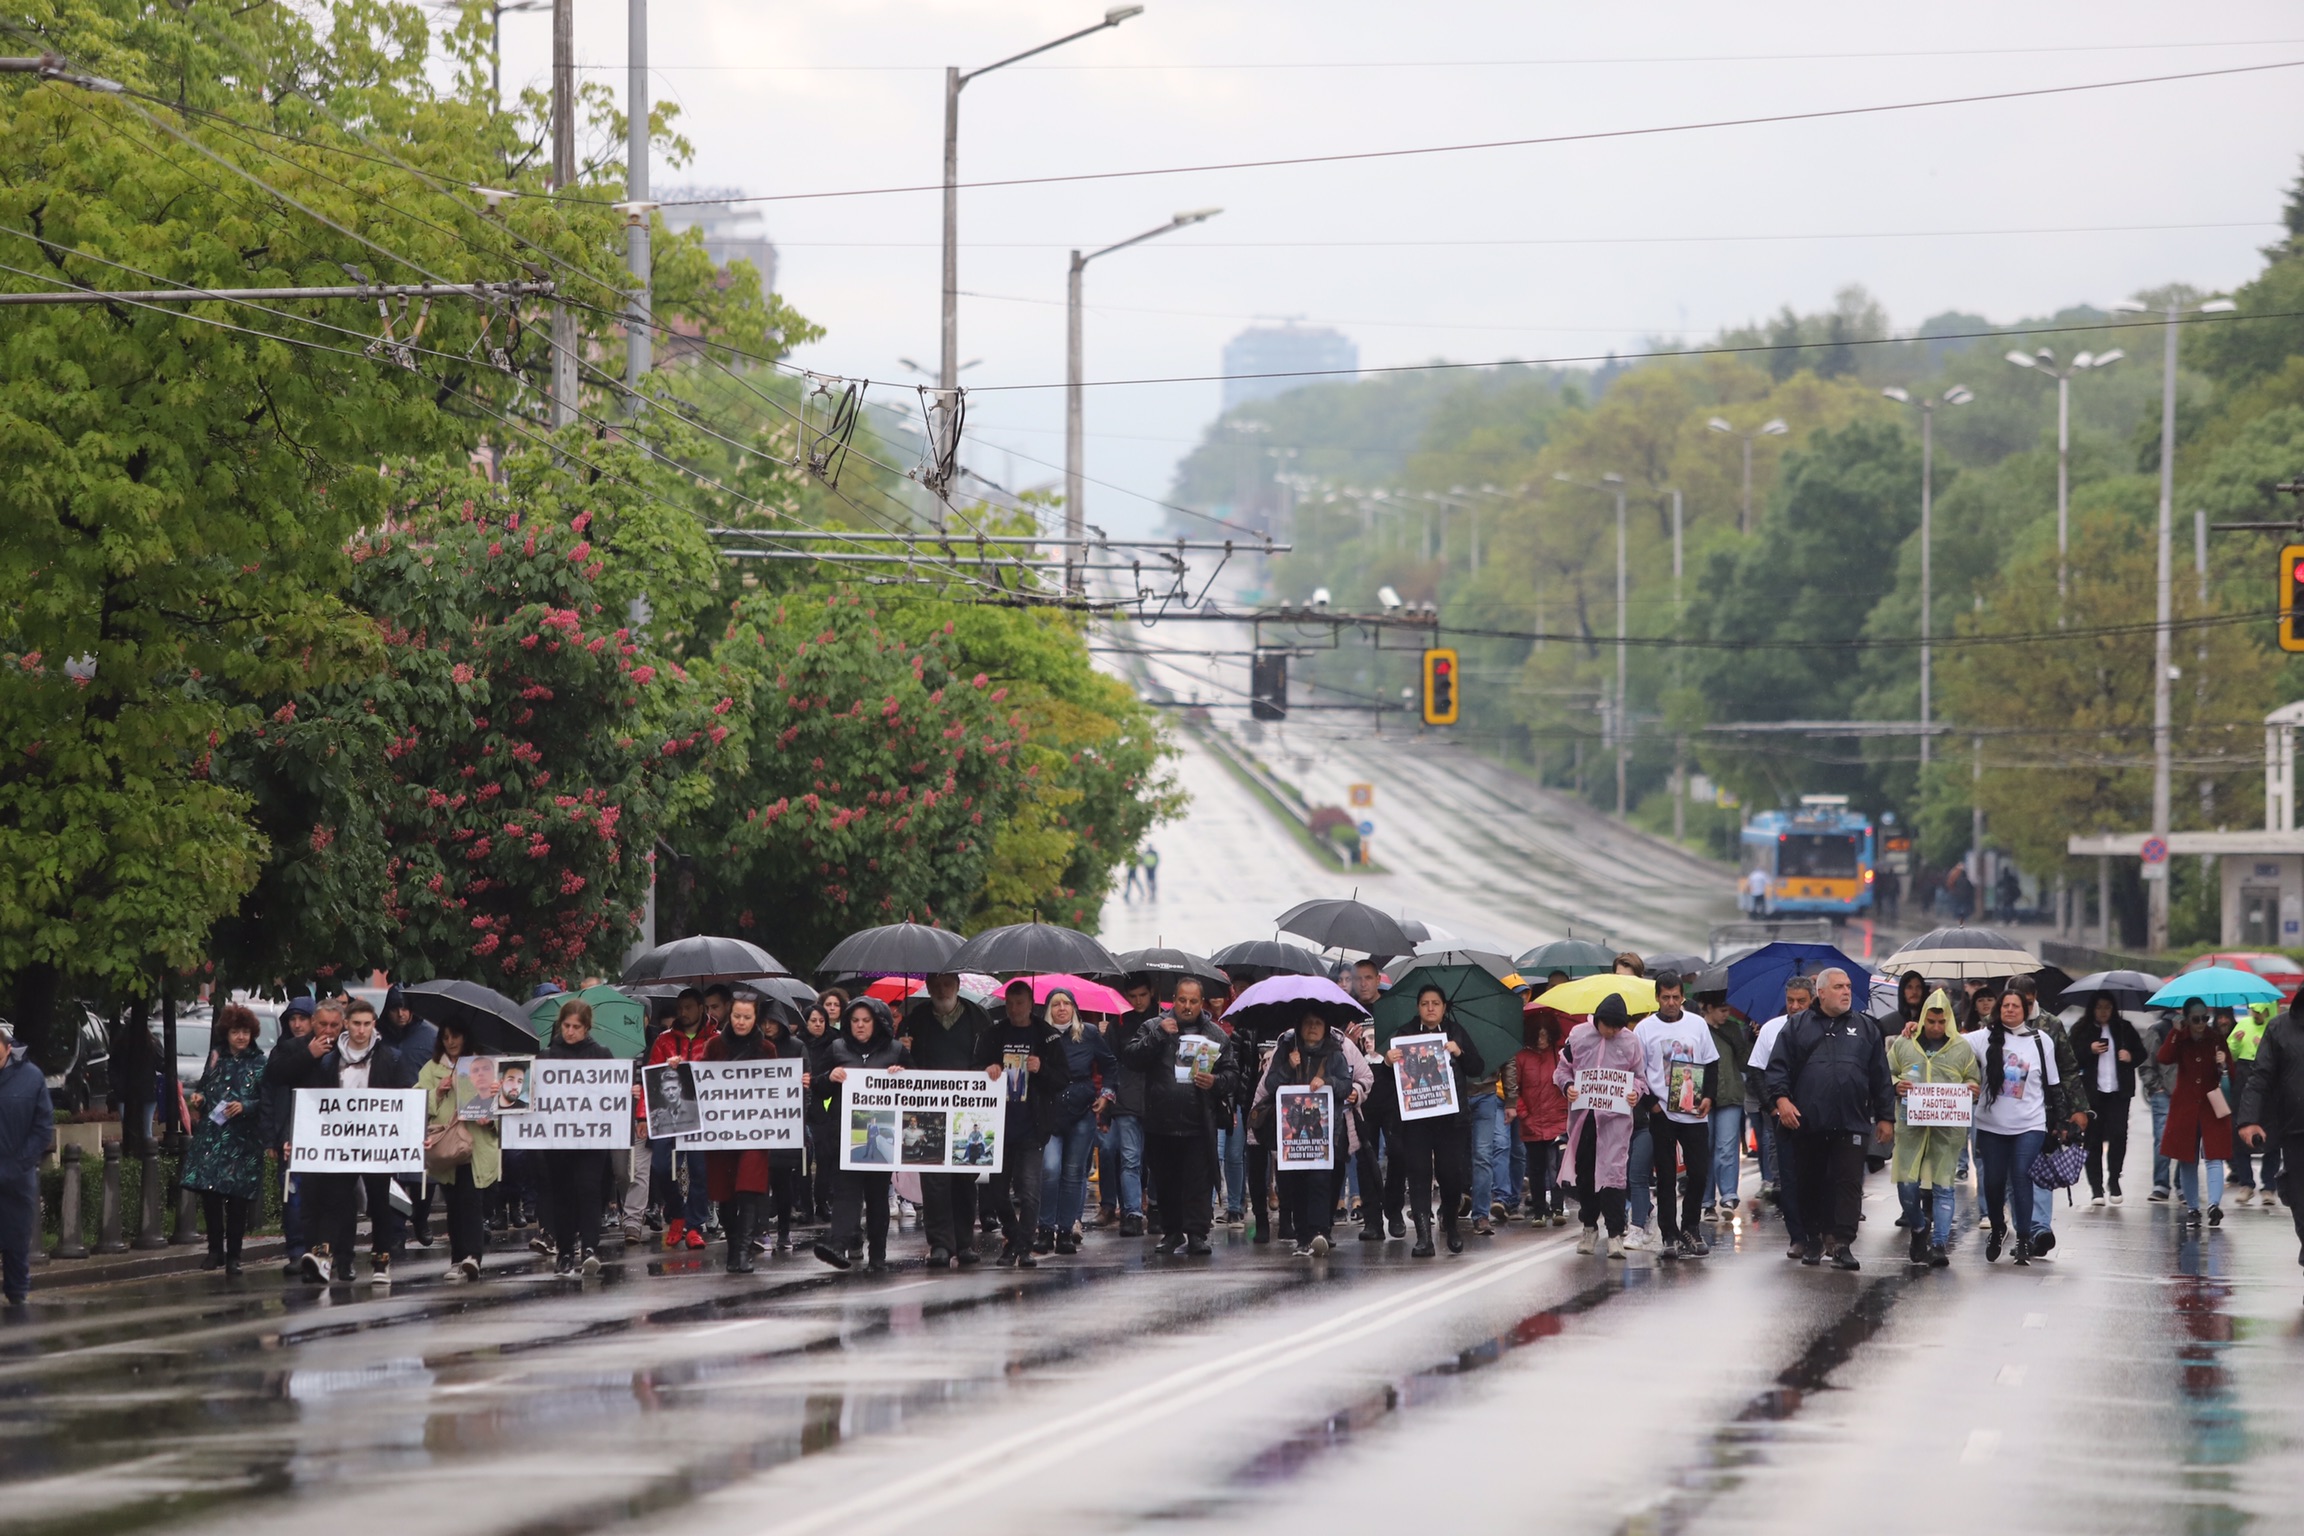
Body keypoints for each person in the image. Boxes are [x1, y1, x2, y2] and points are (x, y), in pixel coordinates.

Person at [270, 1000, 416, 1285]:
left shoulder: (392, 1057)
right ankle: (324, 1257)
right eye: (356, 1023)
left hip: (377, 1144)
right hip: (340, 1144)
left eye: (367, 1024)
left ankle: (381, 1260)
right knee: (335, 1200)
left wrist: (409, 1136)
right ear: (347, 1024)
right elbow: (315, 1101)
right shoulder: (329, 1058)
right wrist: (300, 1136)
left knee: (380, 1202)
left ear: (374, 1025)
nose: (361, 1030)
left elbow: (405, 1100)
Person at [1761, 968, 1893, 1271]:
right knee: (1811, 1183)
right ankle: (1814, 1238)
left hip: (1852, 1120)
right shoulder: (1796, 1027)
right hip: (1809, 1122)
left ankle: (1843, 1243)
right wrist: (1781, 1101)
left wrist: (1886, 1117)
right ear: (1821, 993)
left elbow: (1880, 1075)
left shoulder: (1865, 1028)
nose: (1846, 992)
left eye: (1848, 986)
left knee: (1847, 1183)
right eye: (1838, 987)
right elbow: (1776, 1069)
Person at [1122, 977, 1236, 1256]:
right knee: (1166, 1180)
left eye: (1193, 1001)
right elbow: (1131, 1057)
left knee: (1198, 1180)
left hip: (1199, 1121)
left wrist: (1216, 1081)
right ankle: (1172, 1232)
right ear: (1173, 999)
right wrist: (1158, 1035)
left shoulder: (1215, 1034)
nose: (1187, 1006)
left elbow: (1233, 1075)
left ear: (1201, 1003)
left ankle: (1197, 1233)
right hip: (1161, 1120)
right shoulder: (1153, 1025)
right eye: (1182, 1000)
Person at [1255, 1009, 1366, 1257]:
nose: (1313, 1028)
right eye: (1308, 1023)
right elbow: (1270, 1084)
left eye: (1318, 1023)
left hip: (1324, 1133)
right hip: (1291, 1135)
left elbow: (1345, 1084)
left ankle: (1319, 1231)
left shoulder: (1334, 1053)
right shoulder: (1287, 1049)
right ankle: (1302, 1236)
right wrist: (1287, 1067)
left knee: (1319, 1181)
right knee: (1296, 1185)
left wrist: (1326, 1081)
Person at [900, 972, 993, 1267]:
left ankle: (964, 1242)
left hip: (968, 1108)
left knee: (964, 1178)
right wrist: (902, 1049)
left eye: (947, 984)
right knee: (933, 1179)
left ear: (957, 985)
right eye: (936, 985)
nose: (942, 990)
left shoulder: (979, 1018)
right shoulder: (915, 1018)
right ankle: (940, 1243)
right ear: (927, 988)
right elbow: (903, 1063)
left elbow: (992, 1055)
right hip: (928, 1107)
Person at [1966, 990, 2065, 1264]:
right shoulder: (1982, 1037)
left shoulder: (2040, 1040)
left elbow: (2054, 1084)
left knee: (2022, 1176)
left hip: (2030, 1124)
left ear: (2026, 1010)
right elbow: (1949, 1042)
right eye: (2005, 1005)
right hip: (1991, 1125)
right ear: (1999, 1009)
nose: (2010, 1010)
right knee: (1994, 1181)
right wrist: (1915, 1026)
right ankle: (1998, 1228)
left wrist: (2061, 1122)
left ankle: (2024, 1238)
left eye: (2016, 1006)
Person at [975, 980, 1068, 1266]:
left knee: (1029, 1192)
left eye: (1020, 1003)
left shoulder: (1047, 1035)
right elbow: (974, 1070)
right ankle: (1013, 1237)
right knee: (997, 1193)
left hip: (1032, 1126)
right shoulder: (993, 1034)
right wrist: (986, 1069)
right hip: (998, 1126)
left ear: (1031, 1004)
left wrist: (1041, 1069)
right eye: (1010, 1004)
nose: (1015, 1009)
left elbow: (1062, 1079)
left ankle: (1024, 1246)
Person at [1387, 985, 1484, 1257]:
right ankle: (1423, 1238)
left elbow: (1477, 1067)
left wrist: (1459, 1053)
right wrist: (1387, 1061)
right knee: (1418, 1174)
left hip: (1450, 1121)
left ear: (1443, 1007)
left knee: (1451, 1175)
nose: (1430, 1008)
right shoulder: (1405, 1034)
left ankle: (1451, 1224)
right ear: (1418, 1007)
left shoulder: (1455, 1032)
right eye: (1425, 1003)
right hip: (1416, 1121)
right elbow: (1389, 1080)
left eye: (1436, 1003)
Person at [1888, 989, 1979, 1268]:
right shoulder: (1904, 1045)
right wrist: (1895, 1084)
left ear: (1949, 1020)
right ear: (1923, 1020)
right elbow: (1885, 1072)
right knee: (1907, 1184)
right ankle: (1918, 1227)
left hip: (1947, 1130)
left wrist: (1972, 1088)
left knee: (1943, 1186)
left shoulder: (1961, 1048)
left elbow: (1973, 1078)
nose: (1937, 1028)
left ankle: (1939, 1244)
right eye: (1931, 1022)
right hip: (1910, 1127)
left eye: (1942, 1022)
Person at [816, 999, 905, 1272]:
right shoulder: (837, 1048)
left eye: (866, 1020)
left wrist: (902, 1074)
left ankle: (878, 1252)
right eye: (855, 1020)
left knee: (878, 1196)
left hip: (881, 1138)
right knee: (845, 1193)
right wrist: (829, 1077)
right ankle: (839, 1245)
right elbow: (818, 1087)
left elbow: (917, 1086)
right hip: (845, 1136)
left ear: (877, 1022)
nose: (860, 1025)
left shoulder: (895, 1050)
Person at [1558, 991, 1646, 1258]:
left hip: (1615, 1122)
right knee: (1586, 1173)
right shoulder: (1577, 1036)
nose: (1612, 1032)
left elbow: (1639, 1078)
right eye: (1609, 1026)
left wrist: (1635, 1093)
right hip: (1584, 1120)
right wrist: (1569, 1086)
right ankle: (1588, 1226)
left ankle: (1615, 1233)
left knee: (1614, 1176)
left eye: (1618, 1027)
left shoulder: (1630, 1042)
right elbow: (1562, 1069)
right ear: (1598, 1020)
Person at [181, 1004, 267, 1275]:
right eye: (235, 1032)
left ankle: (234, 1256)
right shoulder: (216, 1057)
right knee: (211, 1195)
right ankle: (214, 1251)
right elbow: (205, 1087)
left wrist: (246, 1106)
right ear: (226, 1033)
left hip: (243, 1139)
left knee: (238, 1199)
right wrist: (199, 1099)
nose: (240, 1037)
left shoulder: (260, 1062)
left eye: (245, 1032)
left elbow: (267, 1100)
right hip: (213, 1137)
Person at [1638, 976, 1719, 1260]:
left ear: (1682, 997)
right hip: (1662, 1111)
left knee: (1698, 1173)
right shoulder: (1645, 1029)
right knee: (1666, 1176)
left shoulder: (1697, 1024)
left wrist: (1709, 1096)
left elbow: (1711, 1062)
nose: (1671, 1003)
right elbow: (1637, 1072)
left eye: (1675, 997)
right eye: (1665, 997)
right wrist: (1652, 1105)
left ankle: (1691, 1228)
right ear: (1657, 998)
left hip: (1693, 1110)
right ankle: (1669, 1234)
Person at [417, 1020, 499, 1281]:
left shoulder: (484, 1066)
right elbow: (416, 1102)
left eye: (456, 1036)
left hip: (475, 1144)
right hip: (446, 1145)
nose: (451, 1042)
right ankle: (456, 1258)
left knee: (471, 1200)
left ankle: (472, 1257)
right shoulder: (432, 1069)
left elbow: (504, 1105)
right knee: (454, 1203)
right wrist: (437, 1093)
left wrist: (491, 1115)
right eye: (446, 1037)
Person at [537, 999, 613, 1277]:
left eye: (576, 1027)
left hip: (592, 1139)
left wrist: (628, 1094)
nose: (570, 1032)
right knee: (563, 1195)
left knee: (589, 1189)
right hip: (557, 1140)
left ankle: (590, 1248)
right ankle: (565, 1252)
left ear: (587, 1027)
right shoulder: (546, 1057)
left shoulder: (601, 1055)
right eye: (566, 1026)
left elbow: (613, 1093)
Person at [702, 996, 778, 1273]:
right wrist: (678, 1068)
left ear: (755, 1018)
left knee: (748, 1186)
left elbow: (776, 1087)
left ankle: (744, 1250)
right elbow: (699, 1080)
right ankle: (734, 1246)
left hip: (755, 1130)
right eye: (737, 1016)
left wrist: (796, 1082)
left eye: (747, 1017)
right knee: (724, 1192)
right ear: (729, 1016)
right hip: (721, 1131)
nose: (741, 1022)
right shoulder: (714, 1046)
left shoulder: (767, 1048)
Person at [1038, 988, 1117, 1255]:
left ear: (1074, 1007)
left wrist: (1106, 1095)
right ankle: (1045, 1229)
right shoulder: (1040, 1033)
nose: (1062, 1008)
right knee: (1049, 1169)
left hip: (1082, 1110)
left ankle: (1064, 1231)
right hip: (1049, 1111)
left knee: (1073, 1173)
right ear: (1048, 1009)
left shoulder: (1089, 1033)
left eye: (1067, 1003)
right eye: (1056, 1004)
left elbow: (1110, 1066)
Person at [2235, 1002, 2304, 1296]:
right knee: (2301, 1201)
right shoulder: (2280, 1028)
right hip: (2294, 1130)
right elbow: (2260, 1077)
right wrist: (2249, 1119)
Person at [1743, 975, 1814, 1253]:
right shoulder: (1772, 1029)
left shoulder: (1824, 1028)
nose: (1795, 1006)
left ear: (1812, 1000)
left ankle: (1816, 1229)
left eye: (1801, 1001)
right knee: (1788, 1175)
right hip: (1781, 1114)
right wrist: (1772, 1107)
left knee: (1815, 1174)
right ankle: (1797, 1236)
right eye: (1790, 1001)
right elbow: (1757, 1071)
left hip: (1816, 1113)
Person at [643, 987, 718, 1251]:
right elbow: (651, 1079)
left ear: (701, 1008)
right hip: (668, 1118)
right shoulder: (663, 1040)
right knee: (661, 1167)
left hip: (703, 1117)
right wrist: (643, 1116)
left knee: (701, 1171)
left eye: (688, 1007)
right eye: (680, 1008)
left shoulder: (717, 1039)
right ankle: (677, 1213)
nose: (683, 1013)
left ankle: (695, 1226)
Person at [2157, 1000, 2235, 1229]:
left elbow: (2231, 1071)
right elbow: (2164, 1058)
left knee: (2215, 1156)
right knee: (2186, 1158)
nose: (2201, 1023)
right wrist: (2175, 1032)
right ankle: (2192, 1207)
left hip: (2212, 1105)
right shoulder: (2180, 1038)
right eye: (2196, 1019)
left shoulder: (2216, 1038)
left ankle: (2213, 1205)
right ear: (2187, 1019)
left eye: (2204, 1018)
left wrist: (2224, 1064)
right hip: (2185, 1106)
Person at [2069, 994, 2145, 1205]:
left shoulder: (2124, 1028)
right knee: (2092, 1138)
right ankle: (2096, 1187)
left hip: (2118, 1092)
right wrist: (2089, 1050)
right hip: (2092, 1093)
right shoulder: (2082, 1029)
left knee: (2119, 1134)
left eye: (2108, 1007)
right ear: (2092, 1009)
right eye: (2099, 1007)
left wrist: (2129, 1056)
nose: (2103, 1011)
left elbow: (2141, 1053)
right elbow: (2070, 1057)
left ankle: (2114, 1179)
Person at [0, 1020, 56, 1304]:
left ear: (7, 1048)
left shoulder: (31, 1078)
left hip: (16, 1178)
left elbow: (43, 1126)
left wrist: (19, 1163)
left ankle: (17, 1300)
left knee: (15, 1244)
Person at [261, 996, 317, 1277]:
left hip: (321, 1137)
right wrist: (271, 1138)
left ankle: (317, 1249)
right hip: (288, 1137)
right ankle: (296, 1250)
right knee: (292, 1196)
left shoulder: (327, 1051)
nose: (297, 1024)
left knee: (319, 1196)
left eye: (303, 1019)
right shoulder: (280, 1053)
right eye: (293, 1019)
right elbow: (269, 1096)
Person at [1099, 980, 1154, 1237]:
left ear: (1151, 993)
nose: (1138, 1000)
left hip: (1157, 1099)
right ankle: (1132, 1212)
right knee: (1130, 1159)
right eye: (1133, 996)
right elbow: (1109, 1065)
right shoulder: (1118, 1024)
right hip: (1128, 1100)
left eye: (1143, 995)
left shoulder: (1163, 1021)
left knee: (1155, 1161)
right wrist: (1109, 1105)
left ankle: (1154, 1209)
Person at [1512, 1009, 1570, 1225]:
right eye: (1539, 1034)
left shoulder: (1560, 1054)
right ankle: (1538, 1211)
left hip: (1557, 1119)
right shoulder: (1521, 1057)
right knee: (1536, 1168)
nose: (1542, 1039)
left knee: (1557, 1166)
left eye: (1546, 1035)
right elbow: (1514, 1089)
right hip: (1532, 1121)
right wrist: (1524, 1115)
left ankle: (1557, 1208)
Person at [1700, 993, 1753, 1220]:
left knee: (1727, 1147)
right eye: (1722, 1010)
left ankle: (1729, 1195)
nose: (1727, 1014)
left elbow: (1744, 1062)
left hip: (1730, 1095)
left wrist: (1750, 1039)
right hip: (1702, 1097)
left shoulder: (1733, 1030)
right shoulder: (1696, 1028)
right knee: (1705, 1147)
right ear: (1709, 1008)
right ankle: (1706, 1200)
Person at [2227, 1002, 2282, 1208]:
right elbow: (2228, 1054)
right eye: (2254, 1011)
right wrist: (2235, 1043)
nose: (2256, 1015)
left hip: (2270, 1086)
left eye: (2261, 1012)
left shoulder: (2276, 1028)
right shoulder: (2243, 1025)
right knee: (2240, 1134)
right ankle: (2246, 1183)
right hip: (2243, 1081)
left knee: (2273, 1139)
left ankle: (2269, 1186)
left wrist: (2264, 1047)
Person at [2138, 1007, 2178, 1201]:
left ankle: (2182, 1185)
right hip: (2163, 1093)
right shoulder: (2160, 1029)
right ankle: (2161, 1183)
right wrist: (2156, 1087)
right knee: (2163, 1138)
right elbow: (2147, 1063)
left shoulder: (2196, 1028)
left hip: (2188, 1094)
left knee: (2187, 1141)